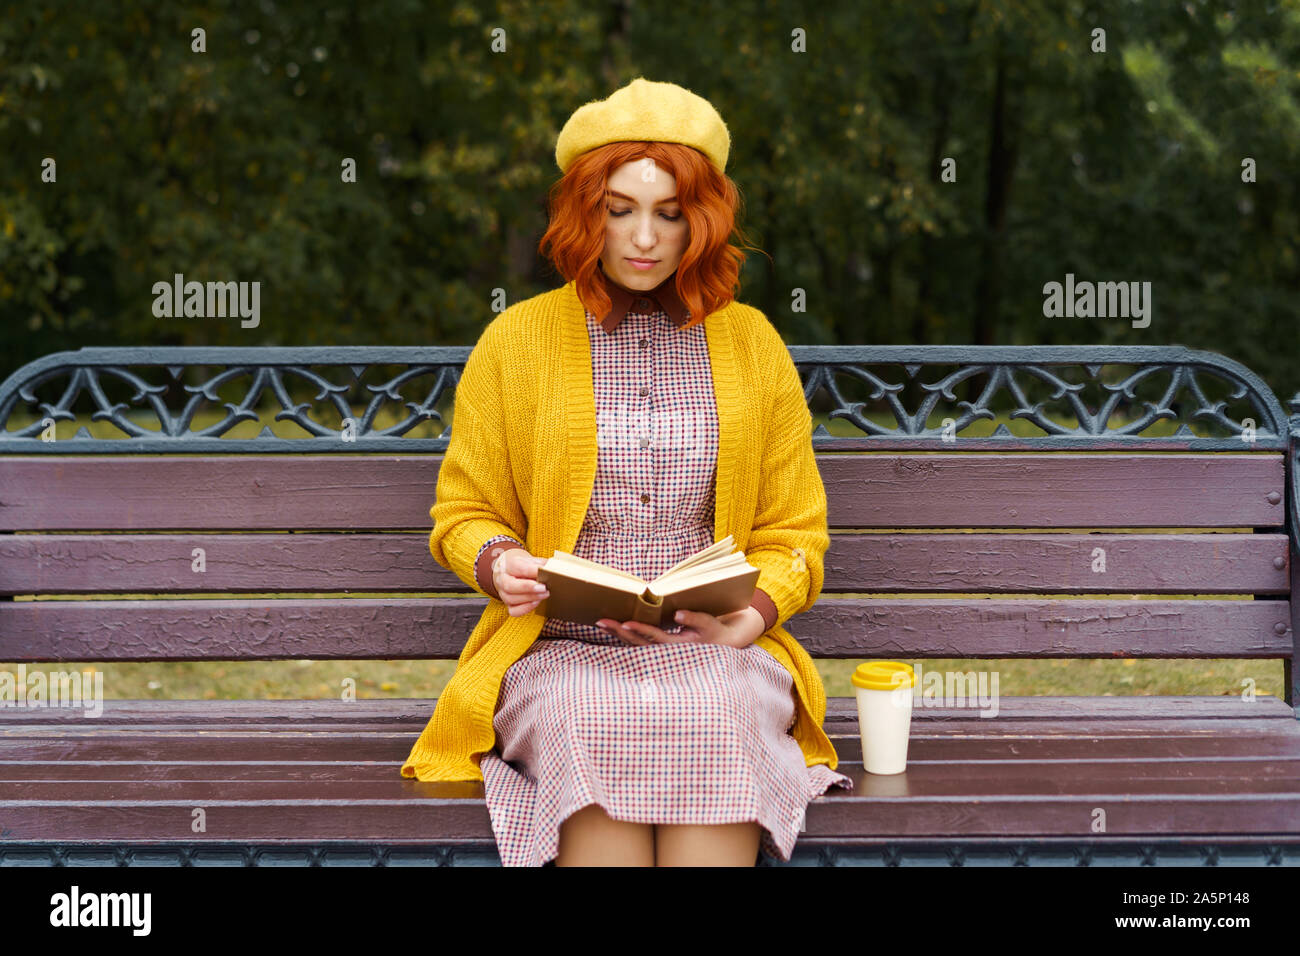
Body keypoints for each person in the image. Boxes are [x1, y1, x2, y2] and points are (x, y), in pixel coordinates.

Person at [400, 76, 853, 866]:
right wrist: (499, 562)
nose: (644, 237)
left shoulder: (751, 344)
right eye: (620, 210)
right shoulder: (516, 341)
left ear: (700, 223)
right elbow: (464, 512)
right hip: (561, 652)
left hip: (714, 652)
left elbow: (795, 535)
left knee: (717, 707)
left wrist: (749, 619)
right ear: (587, 215)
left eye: (669, 214)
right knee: (585, 711)